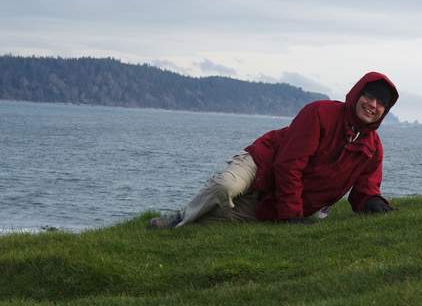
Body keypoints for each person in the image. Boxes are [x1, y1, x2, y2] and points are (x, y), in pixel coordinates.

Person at [148, 71, 399, 228]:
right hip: (263, 162)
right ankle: (179, 218)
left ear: (384, 111)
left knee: (220, 220)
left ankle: (186, 225)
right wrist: (291, 214)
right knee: (226, 187)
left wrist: (373, 203)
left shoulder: (373, 148)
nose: (372, 105)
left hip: (280, 198)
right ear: (357, 95)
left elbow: (365, 189)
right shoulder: (320, 113)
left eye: (381, 103)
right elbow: (289, 163)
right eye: (369, 97)